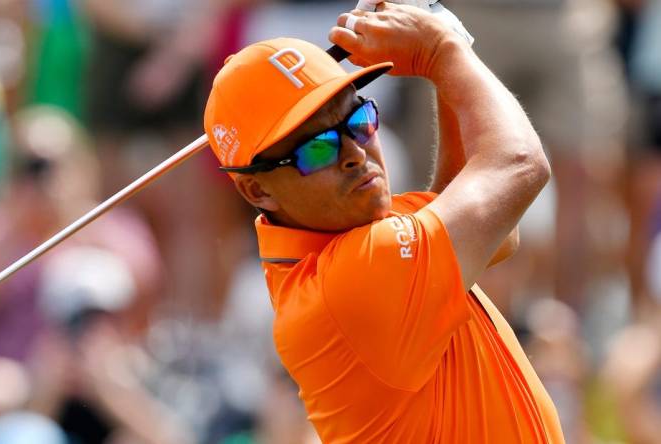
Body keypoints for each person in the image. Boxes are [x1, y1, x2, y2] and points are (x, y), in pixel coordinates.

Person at [202, 2, 564, 442]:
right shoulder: (349, 279)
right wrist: (441, 50)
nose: (354, 154)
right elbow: (520, 166)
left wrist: (444, 60)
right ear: (258, 191)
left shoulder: (359, 228)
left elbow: (496, 232)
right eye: (317, 148)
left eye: (358, 120)